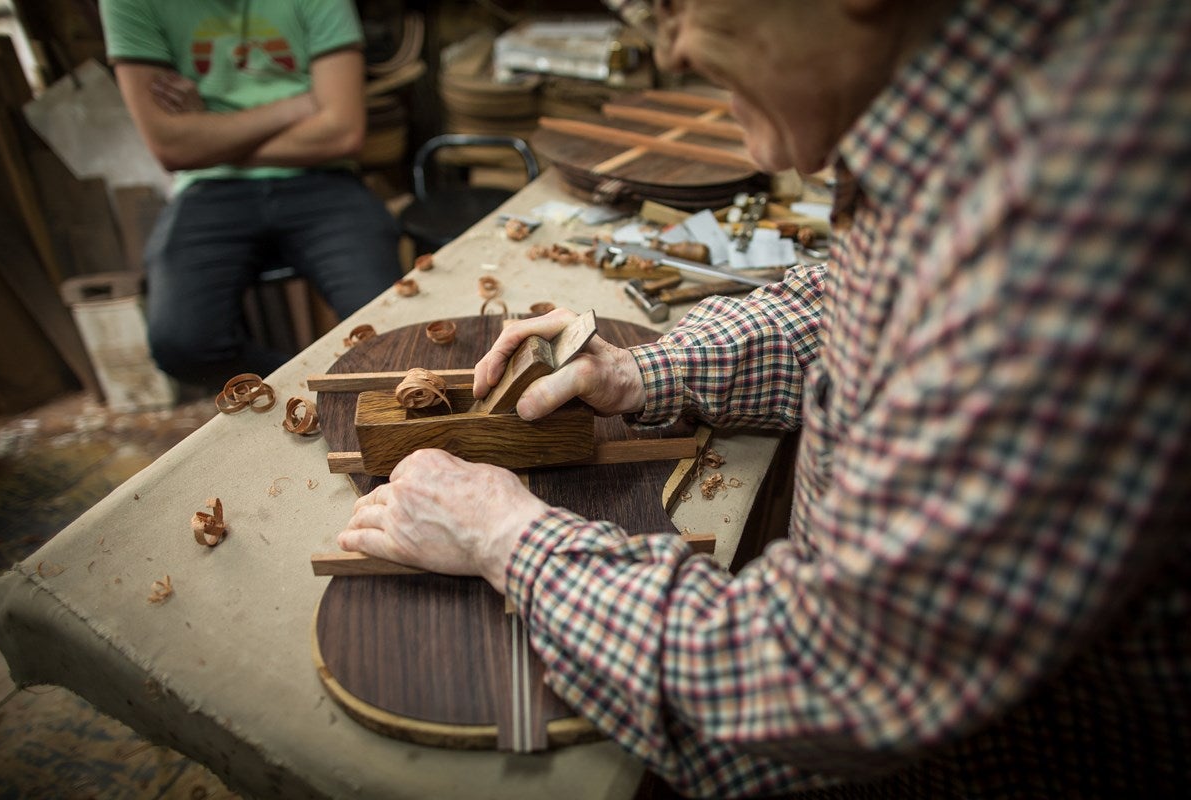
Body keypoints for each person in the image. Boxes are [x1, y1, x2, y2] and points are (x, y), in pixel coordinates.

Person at [339, 0, 1190, 797]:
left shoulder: (1065, 218)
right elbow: (850, 303)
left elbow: (832, 668)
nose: (666, 46)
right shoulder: (953, 123)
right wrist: (647, 373)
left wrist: (510, 540)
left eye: (678, 6)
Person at [99, 0, 402, 385]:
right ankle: (311, 386)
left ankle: (342, 383)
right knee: (181, 343)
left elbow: (343, 133)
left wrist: (209, 132)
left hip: (321, 179)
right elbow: (172, 148)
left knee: (391, 326)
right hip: (210, 188)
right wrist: (298, 107)